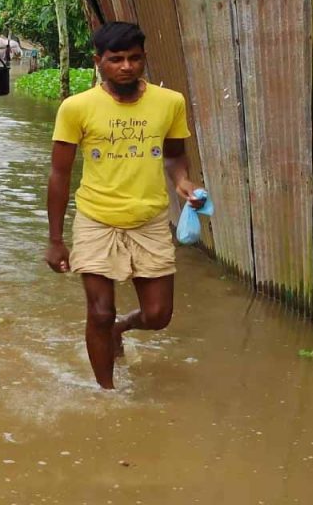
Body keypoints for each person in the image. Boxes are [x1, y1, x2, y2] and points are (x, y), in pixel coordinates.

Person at [44, 21, 204, 389]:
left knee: (159, 314)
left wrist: (182, 182)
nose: (127, 66)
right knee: (99, 312)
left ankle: (123, 328)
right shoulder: (76, 108)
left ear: (144, 58)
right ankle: (107, 394)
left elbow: (175, 156)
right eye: (116, 59)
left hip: (149, 219)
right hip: (96, 219)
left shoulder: (170, 102)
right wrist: (54, 239)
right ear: (99, 61)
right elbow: (59, 174)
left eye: (134, 58)